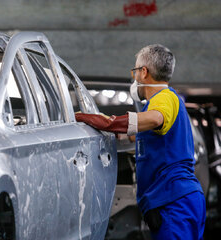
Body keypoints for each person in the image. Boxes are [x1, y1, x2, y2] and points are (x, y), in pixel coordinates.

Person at [76, 44, 205, 239]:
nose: (134, 77)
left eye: (135, 71)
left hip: (173, 201)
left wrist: (107, 122)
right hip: (173, 200)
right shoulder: (159, 104)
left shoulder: (164, 98)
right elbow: (133, 138)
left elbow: (155, 118)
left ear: (144, 72)